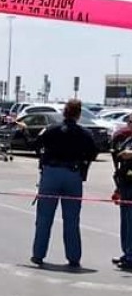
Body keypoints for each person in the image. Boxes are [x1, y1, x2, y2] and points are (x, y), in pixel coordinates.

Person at [30, 99, 99, 268]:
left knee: (44, 218)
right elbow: (94, 152)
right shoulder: (84, 133)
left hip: (51, 174)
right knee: (72, 219)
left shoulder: (51, 130)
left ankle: (38, 254)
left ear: (64, 112)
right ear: (78, 114)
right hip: (73, 175)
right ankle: (73, 257)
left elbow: (35, 145)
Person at [111, 113, 132, 270]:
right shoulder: (128, 140)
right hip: (125, 184)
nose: (129, 125)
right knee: (125, 222)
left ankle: (131, 255)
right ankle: (127, 252)